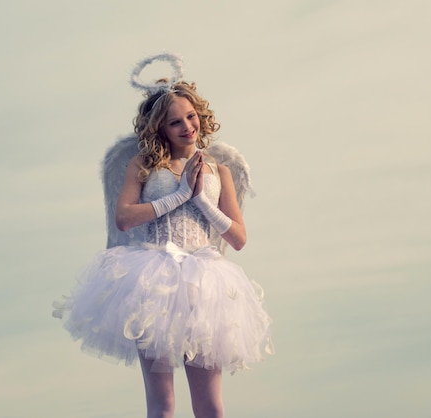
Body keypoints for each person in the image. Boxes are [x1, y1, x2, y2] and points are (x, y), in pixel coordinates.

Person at [53, 53, 273, 418]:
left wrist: (200, 200)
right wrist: (178, 196)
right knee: (162, 404)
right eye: (175, 122)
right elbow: (124, 218)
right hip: (153, 285)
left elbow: (238, 238)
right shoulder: (143, 165)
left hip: (206, 285)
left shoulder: (220, 170)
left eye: (191, 116)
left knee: (212, 406)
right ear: (161, 130)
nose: (188, 126)